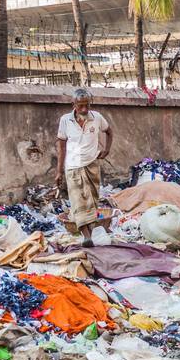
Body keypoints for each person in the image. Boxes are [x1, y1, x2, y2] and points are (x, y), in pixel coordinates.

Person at [56, 88, 113, 244]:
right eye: (80, 105)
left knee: (92, 201)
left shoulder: (97, 118)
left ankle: (90, 232)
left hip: (92, 165)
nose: (84, 109)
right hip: (72, 167)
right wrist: (59, 171)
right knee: (77, 201)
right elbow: (61, 147)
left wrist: (106, 149)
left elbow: (109, 132)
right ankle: (87, 236)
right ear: (73, 104)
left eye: (87, 105)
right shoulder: (65, 120)